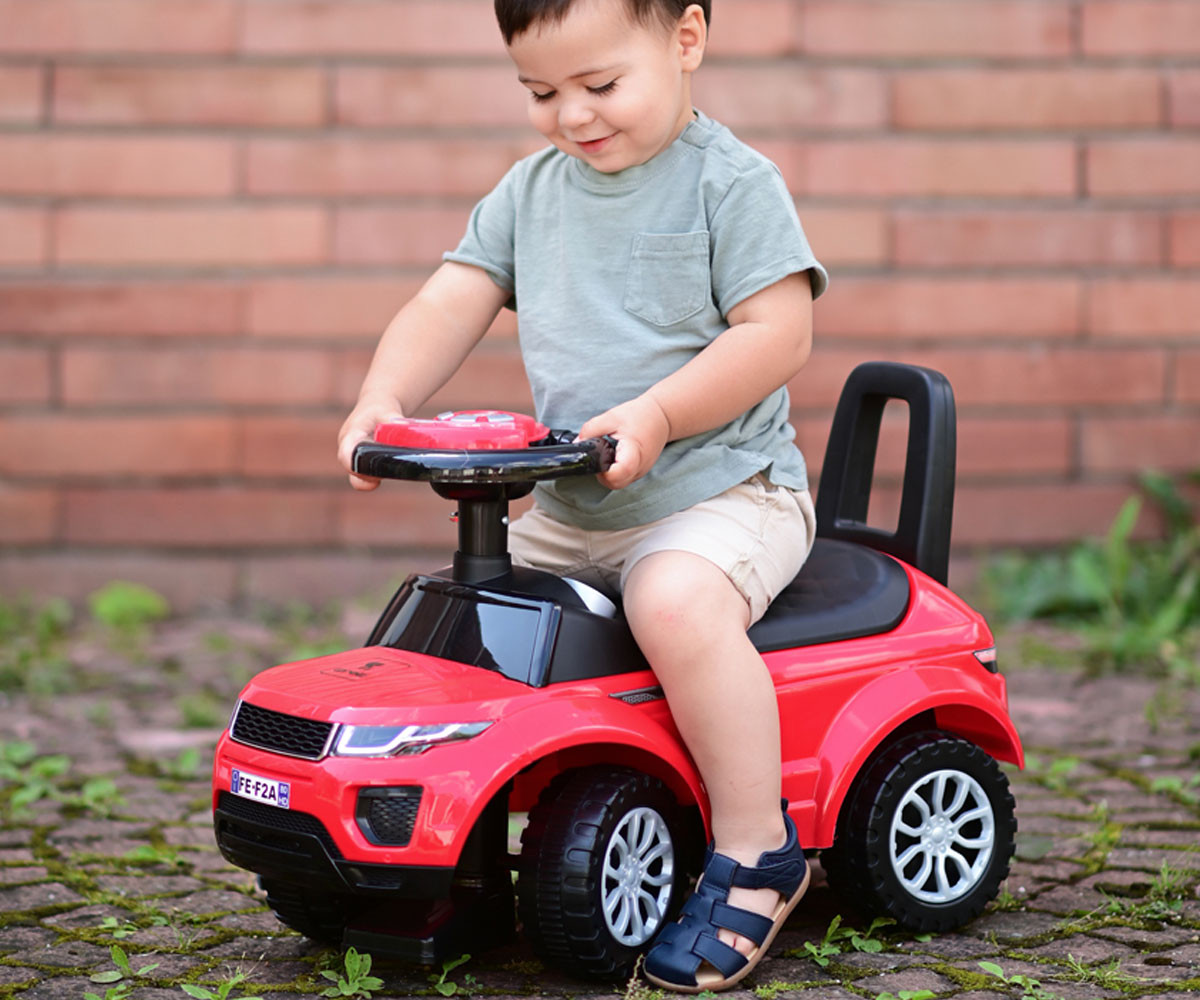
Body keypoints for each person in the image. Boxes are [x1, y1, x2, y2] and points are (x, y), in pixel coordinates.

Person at [337, 0, 828, 991]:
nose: (571, 115)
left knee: (673, 604)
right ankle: (448, 850)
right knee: (459, 621)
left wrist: (658, 412)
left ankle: (756, 848)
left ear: (686, 41)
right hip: (576, 511)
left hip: (723, 492)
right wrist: (383, 399)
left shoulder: (731, 185)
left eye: (600, 85)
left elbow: (778, 335)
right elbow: (449, 298)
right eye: (540, 91)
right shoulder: (531, 194)